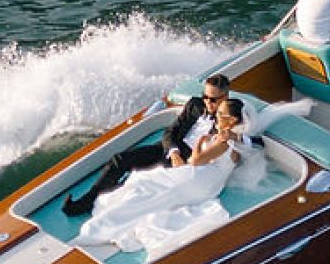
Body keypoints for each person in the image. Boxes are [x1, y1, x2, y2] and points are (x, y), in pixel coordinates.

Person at [62, 73, 233, 217]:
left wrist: (183, 161)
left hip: (191, 162)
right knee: (120, 159)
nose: (207, 102)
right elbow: (170, 132)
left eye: (213, 100)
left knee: (142, 183)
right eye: (205, 97)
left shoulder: (226, 120)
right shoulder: (195, 105)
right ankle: (87, 201)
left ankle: (115, 204)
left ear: (225, 97)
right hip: (170, 150)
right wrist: (173, 153)